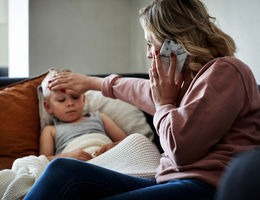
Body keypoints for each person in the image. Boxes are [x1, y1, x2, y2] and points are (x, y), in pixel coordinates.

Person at [24, 0, 260, 199]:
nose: (148, 54)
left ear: (175, 41)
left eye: (150, 43)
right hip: (169, 183)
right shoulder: (186, 81)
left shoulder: (226, 71)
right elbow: (143, 91)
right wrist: (92, 82)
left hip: (203, 187)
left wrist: (165, 103)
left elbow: (181, 150)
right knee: (61, 170)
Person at [40, 69, 127, 161]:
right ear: (48, 107)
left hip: (109, 159)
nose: (70, 103)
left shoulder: (100, 118)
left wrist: (113, 147)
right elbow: (42, 161)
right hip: (75, 165)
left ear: (83, 100)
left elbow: (128, 142)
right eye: (61, 100)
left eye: (75, 97)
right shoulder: (50, 131)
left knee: (138, 138)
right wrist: (66, 157)